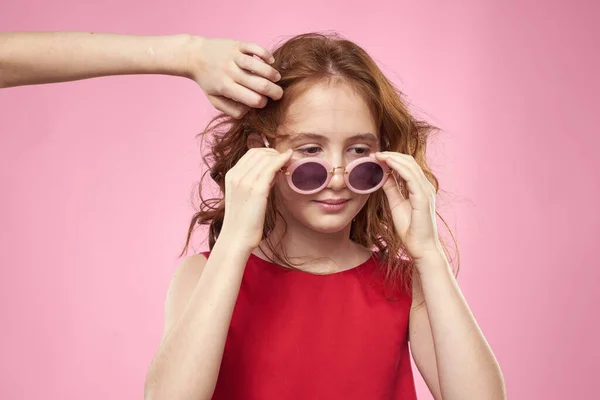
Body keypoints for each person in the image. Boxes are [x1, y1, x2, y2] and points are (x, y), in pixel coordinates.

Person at [0, 31, 506, 400]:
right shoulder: (206, 274)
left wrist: (428, 254)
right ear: (262, 153)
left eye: (358, 151)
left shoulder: (403, 280)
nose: (335, 174)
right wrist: (237, 241)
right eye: (309, 149)